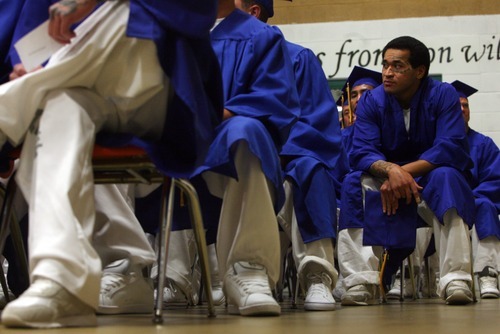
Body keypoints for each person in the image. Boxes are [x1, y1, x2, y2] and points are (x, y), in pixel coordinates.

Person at [0, 0, 222, 328]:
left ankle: (15, 100)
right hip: (77, 88)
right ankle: (62, 284)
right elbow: (27, 42)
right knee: (57, 109)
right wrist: (33, 67)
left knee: (120, 12)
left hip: (155, 80)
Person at [337, 36, 475, 306]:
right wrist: (391, 171)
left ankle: (456, 278)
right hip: (384, 180)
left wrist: (402, 173)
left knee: (449, 178)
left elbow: (450, 146)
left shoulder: (443, 95)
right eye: (385, 65)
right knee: (354, 182)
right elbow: (362, 150)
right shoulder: (372, 101)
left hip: (429, 178)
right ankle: (360, 280)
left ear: (419, 71)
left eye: (397, 66)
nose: (387, 73)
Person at [235, 0, 349, 311]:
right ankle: (198, 277)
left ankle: (316, 275)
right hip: (236, 154)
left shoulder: (298, 58)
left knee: (311, 171)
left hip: (290, 157)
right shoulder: (222, 53)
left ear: (253, 11)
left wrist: (273, 151)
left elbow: (316, 124)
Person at [451, 80, 500, 299]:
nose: (462, 110)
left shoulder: (484, 144)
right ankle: (411, 275)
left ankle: (487, 274)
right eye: (456, 106)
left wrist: (469, 198)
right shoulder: (434, 144)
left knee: (485, 207)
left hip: (477, 200)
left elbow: (495, 178)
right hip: (443, 204)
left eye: (465, 105)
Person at [337, 66, 381, 159]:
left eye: (365, 93)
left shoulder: (394, 129)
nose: (358, 99)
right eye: (353, 95)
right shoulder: (342, 138)